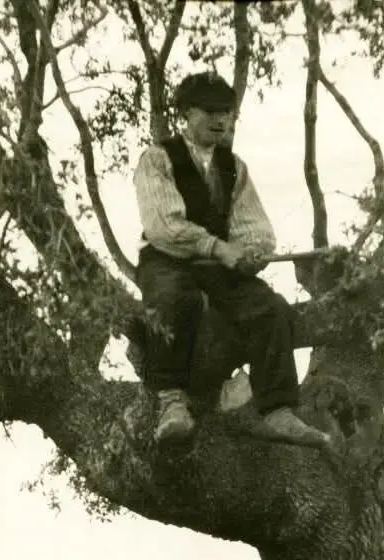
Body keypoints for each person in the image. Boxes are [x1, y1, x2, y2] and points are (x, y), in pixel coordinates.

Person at [133, 70, 329, 447]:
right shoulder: (157, 160)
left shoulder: (234, 166)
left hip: (218, 267)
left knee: (269, 308)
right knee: (175, 301)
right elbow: (164, 226)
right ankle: (172, 401)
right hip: (167, 260)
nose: (221, 120)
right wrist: (220, 248)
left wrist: (254, 252)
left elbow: (252, 224)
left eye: (227, 111)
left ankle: (277, 410)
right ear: (186, 114)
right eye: (210, 111)